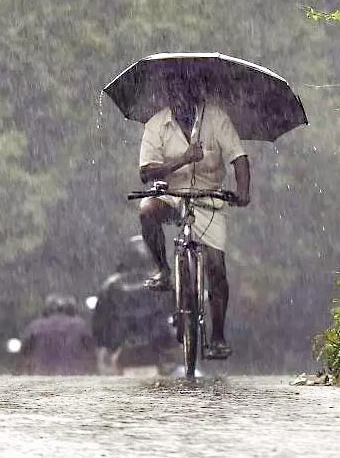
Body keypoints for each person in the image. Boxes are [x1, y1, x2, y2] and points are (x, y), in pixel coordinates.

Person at [138, 73, 250, 360]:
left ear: (197, 97)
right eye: (175, 98)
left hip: (208, 197)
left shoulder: (216, 119)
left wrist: (243, 191)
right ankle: (163, 270)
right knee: (147, 210)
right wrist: (183, 159)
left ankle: (218, 336)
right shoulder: (156, 124)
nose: (181, 104)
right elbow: (146, 173)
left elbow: (239, 157)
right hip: (172, 194)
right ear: (169, 100)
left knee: (216, 267)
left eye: (187, 98)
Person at [92, 235, 177, 375]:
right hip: (158, 348)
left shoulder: (110, 285)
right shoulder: (163, 283)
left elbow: (99, 324)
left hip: (121, 349)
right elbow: (175, 315)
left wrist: (105, 344)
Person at [18, 294, 97, 375]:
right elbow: (91, 353)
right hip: (73, 375)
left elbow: (25, 354)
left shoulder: (35, 326)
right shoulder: (81, 326)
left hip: (41, 374)